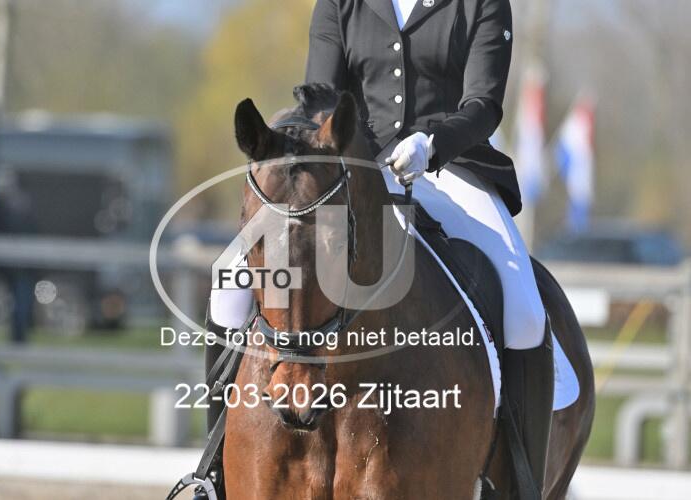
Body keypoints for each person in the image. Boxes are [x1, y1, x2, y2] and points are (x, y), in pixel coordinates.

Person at [202, 0, 553, 497]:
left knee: (526, 313)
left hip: (452, 167)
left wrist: (432, 143)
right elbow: (321, 96)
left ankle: (521, 483)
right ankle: (213, 475)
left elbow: (484, 104)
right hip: (352, 172)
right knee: (228, 284)